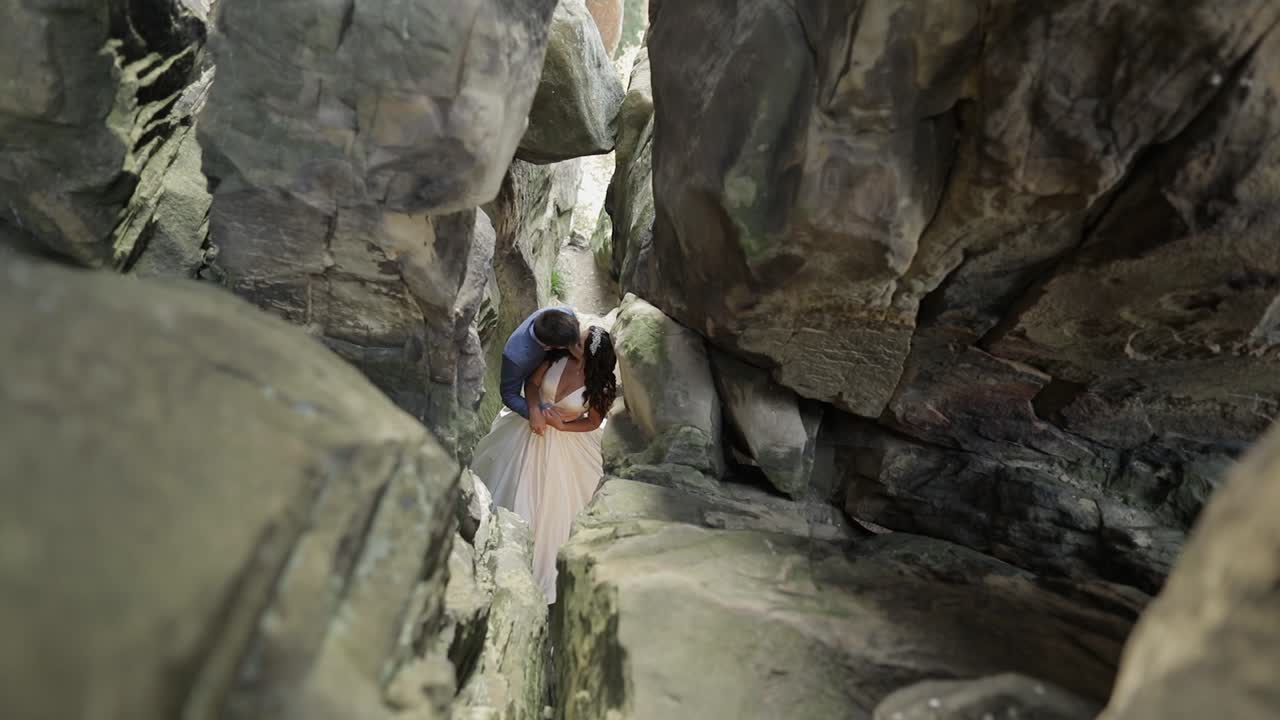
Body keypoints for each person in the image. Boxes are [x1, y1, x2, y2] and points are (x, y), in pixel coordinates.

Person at [471, 325, 618, 604]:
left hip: (565, 441)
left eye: (580, 343)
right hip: (527, 428)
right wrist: (535, 410)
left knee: (554, 506)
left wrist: (562, 427)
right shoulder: (557, 356)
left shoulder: (600, 385)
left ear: (590, 355)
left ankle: (534, 569)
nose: (574, 342)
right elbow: (533, 385)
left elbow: (593, 422)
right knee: (511, 482)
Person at [499, 306, 581, 436]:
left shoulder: (564, 313)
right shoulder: (515, 357)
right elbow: (509, 394)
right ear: (553, 347)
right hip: (537, 394)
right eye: (573, 345)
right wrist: (536, 411)